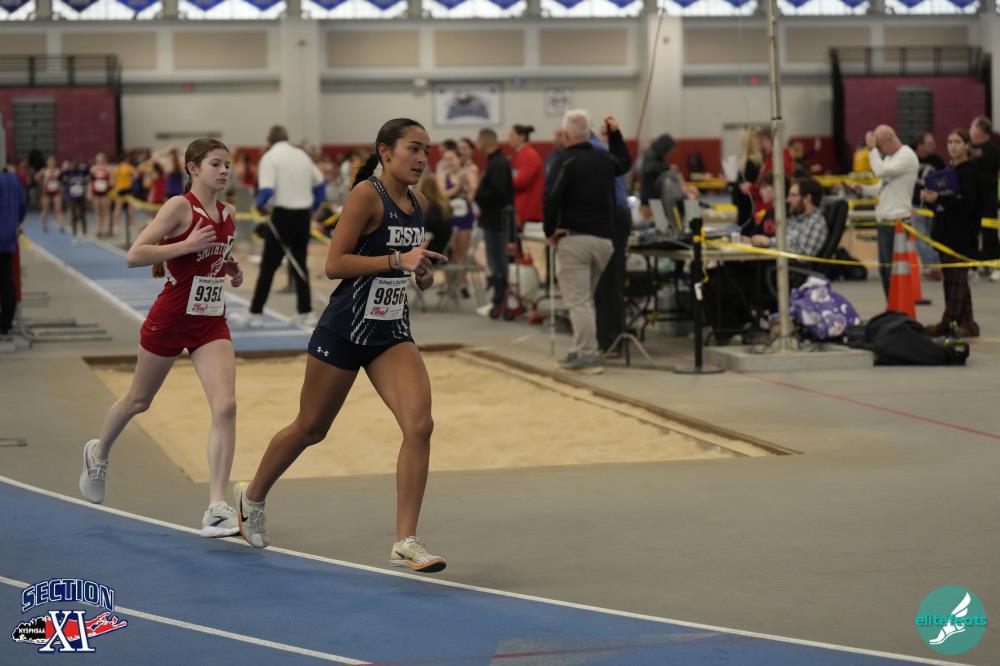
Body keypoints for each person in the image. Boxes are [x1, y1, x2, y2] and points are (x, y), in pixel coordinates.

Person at [233, 118, 451, 573]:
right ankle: (251, 497)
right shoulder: (366, 195)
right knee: (311, 428)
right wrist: (397, 259)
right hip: (345, 330)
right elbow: (334, 264)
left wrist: (421, 273)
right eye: (413, 149)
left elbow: (404, 267)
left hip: (390, 332)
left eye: (427, 151)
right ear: (385, 151)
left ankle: (405, 540)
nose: (421, 159)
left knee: (420, 425)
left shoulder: (419, 203)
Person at [78, 138, 244, 538]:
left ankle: (216, 507)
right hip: (170, 318)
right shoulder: (179, 207)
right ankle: (98, 453)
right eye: (216, 164)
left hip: (209, 321)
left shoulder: (229, 212)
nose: (224, 171)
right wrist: (185, 245)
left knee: (226, 406)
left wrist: (230, 267)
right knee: (139, 400)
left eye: (227, 164)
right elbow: (134, 255)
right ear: (193, 168)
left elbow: (211, 256)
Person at [544, 111, 631, 373]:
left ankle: (588, 355)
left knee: (578, 301)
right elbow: (624, 163)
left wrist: (549, 231)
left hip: (576, 241)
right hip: (605, 242)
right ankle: (579, 348)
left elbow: (551, 197)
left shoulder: (564, 161)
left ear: (567, 135)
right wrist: (615, 134)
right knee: (585, 300)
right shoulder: (605, 158)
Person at [233, 125, 324, 329]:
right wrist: (314, 206)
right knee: (299, 263)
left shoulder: (270, 157)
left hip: (282, 215)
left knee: (269, 265)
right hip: (303, 215)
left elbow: (266, 190)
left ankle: (255, 313)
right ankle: (305, 312)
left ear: (269, 140)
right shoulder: (302, 154)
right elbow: (319, 185)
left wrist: (258, 206)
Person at [923, 129, 981, 337]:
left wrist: (939, 199)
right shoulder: (946, 170)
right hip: (944, 234)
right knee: (954, 281)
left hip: (961, 235)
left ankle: (947, 322)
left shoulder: (971, 171)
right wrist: (930, 199)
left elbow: (968, 205)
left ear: (966, 145)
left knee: (956, 282)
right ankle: (968, 323)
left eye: (957, 142)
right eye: (949, 142)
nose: (952, 146)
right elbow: (942, 206)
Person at [860, 125, 919, 297]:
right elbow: (880, 188)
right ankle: (892, 307)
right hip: (885, 222)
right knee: (885, 271)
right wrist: (861, 189)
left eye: (879, 146)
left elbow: (880, 172)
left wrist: (871, 150)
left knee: (895, 271)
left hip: (898, 222)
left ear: (889, 138)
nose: (878, 150)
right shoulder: (888, 158)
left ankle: (901, 307)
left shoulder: (906, 156)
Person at [474, 128, 515, 319]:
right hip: (492, 220)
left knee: (499, 262)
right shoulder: (494, 162)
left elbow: (498, 192)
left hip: (498, 222)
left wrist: (478, 194)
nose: (477, 145)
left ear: (484, 141)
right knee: (494, 261)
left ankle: (500, 300)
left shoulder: (498, 163)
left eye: (478, 141)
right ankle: (499, 299)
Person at [749, 178, 827, 258]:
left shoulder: (816, 223)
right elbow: (787, 241)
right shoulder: (796, 217)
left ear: (807, 198)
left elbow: (803, 256)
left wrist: (769, 242)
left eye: (793, 195)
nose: (788, 200)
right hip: (779, 260)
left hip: (789, 264)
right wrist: (766, 242)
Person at [436, 147, 476, 297]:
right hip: (449, 218)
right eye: (446, 159)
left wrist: (466, 186)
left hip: (465, 216)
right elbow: (442, 195)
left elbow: (473, 193)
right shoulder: (442, 176)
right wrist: (458, 187)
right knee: (450, 251)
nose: (449, 162)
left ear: (459, 159)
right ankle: (448, 282)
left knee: (462, 250)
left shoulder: (468, 173)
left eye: (451, 158)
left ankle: (463, 283)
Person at [911, 131, 946, 280]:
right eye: (930, 144)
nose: (934, 146)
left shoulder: (936, 160)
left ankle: (935, 264)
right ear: (920, 146)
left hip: (933, 205)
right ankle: (933, 265)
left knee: (935, 236)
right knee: (920, 236)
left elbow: (945, 179)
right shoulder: (909, 158)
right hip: (916, 204)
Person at [969, 116, 1000, 282]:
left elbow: (977, 163)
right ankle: (974, 265)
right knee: (971, 233)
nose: (970, 130)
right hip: (972, 199)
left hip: (988, 199)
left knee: (989, 234)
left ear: (981, 130)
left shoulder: (991, 149)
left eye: (972, 127)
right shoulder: (969, 148)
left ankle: (996, 265)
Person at [1, 163, 26, 338]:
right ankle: (6, 323)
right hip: (8, 237)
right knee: (7, 281)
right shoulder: (13, 180)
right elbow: (22, 205)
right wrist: (13, 223)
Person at [509, 124, 543, 228]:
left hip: (528, 210)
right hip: (522, 207)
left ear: (522, 137)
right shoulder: (520, 154)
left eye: (512, 135)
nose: (508, 139)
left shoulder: (528, 155)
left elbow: (521, 182)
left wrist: (504, 182)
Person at [415, 173, 452, 257]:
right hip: (441, 246)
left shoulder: (431, 207)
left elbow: (424, 228)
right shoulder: (442, 205)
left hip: (432, 250)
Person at [36, 156, 64, 233]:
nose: (51, 163)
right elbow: (36, 178)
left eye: (53, 162)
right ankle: (44, 224)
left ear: (55, 163)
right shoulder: (45, 171)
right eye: (50, 162)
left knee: (58, 209)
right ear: (47, 163)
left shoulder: (58, 171)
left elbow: (62, 181)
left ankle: (61, 225)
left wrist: (61, 188)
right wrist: (40, 176)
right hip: (46, 193)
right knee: (45, 210)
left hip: (56, 192)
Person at [64, 161, 90, 240]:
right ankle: (74, 234)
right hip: (72, 197)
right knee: (73, 216)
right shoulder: (68, 173)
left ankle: (84, 234)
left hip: (81, 197)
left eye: (76, 165)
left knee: (82, 215)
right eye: (73, 165)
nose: (75, 166)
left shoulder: (82, 173)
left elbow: (89, 176)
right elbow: (63, 179)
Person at [111, 154, 135, 237]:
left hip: (120, 189)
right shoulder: (129, 167)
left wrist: (116, 184)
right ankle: (130, 226)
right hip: (128, 189)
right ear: (126, 159)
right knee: (130, 208)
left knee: (118, 208)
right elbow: (135, 175)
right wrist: (130, 180)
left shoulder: (117, 167)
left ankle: (115, 226)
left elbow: (113, 179)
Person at [90, 153, 113, 237]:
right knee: (97, 211)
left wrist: (108, 184)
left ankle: (106, 229)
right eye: (98, 159)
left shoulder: (108, 169)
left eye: (101, 159)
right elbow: (90, 181)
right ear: (96, 160)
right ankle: (98, 229)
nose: (100, 161)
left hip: (105, 193)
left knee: (105, 212)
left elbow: (112, 181)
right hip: (96, 193)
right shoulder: (93, 169)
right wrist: (89, 193)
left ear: (104, 160)